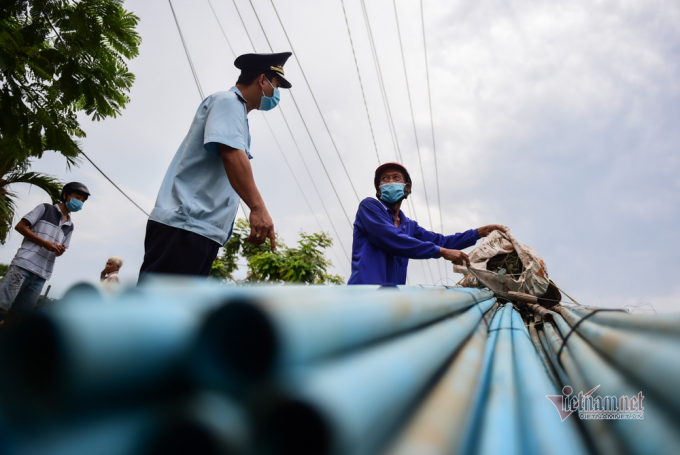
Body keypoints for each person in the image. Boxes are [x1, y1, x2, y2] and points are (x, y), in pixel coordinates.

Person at [138, 52, 293, 281]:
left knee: (177, 313)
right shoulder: (228, 103)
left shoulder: (236, 112)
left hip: (198, 230)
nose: (275, 94)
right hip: (186, 227)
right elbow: (232, 155)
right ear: (262, 81)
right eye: (276, 86)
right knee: (157, 312)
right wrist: (258, 208)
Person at [348, 163, 506, 285]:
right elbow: (391, 238)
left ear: (407, 187)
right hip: (364, 293)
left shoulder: (408, 226)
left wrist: (478, 232)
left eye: (396, 178)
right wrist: (442, 252)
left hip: (390, 301)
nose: (390, 182)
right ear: (379, 189)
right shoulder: (369, 207)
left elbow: (441, 241)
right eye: (385, 179)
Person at [0, 182, 90, 320]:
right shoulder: (45, 209)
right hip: (23, 266)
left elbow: (59, 252)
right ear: (65, 195)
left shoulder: (70, 226)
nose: (80, 203)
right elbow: (20, 227)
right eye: (77, 198)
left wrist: (59, 250)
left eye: (83, 201)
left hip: (42, 274)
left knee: (19, 317)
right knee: (1, 304)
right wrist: (43, 242)